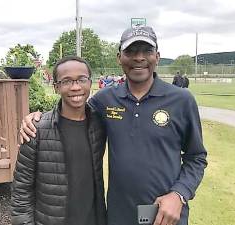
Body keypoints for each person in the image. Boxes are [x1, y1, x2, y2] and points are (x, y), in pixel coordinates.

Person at [20, 26, 207, 225]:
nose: (139, 57)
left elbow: (196, 157)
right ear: (119, 57)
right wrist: (38, 118)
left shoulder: (181, 100)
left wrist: (179, 194)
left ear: (157, 57)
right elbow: (72, 111)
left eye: (147, 51)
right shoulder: (105, 99)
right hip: (119, 215)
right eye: (131, 51)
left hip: (165, 215)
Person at [11, 56, 107, 225]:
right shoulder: (36, 130)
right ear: (56, 87)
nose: (76, 87)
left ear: (90, 83)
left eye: (81, 80)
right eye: (67, 81)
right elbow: (21, 191)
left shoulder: (100, 124)